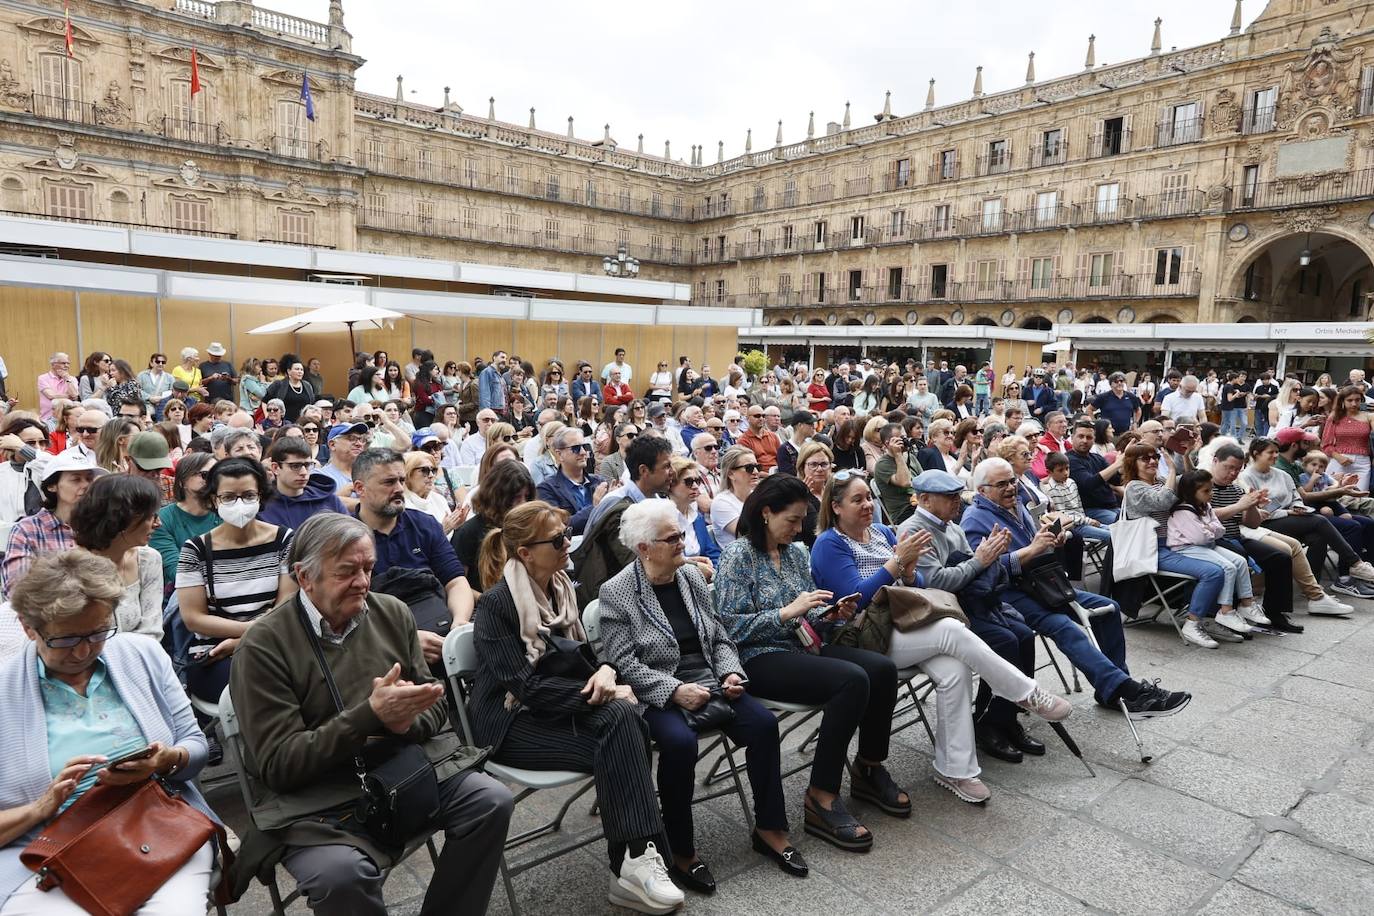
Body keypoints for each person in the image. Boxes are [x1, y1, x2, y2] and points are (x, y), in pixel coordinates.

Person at [230, 513, 512, 916]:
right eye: (347, 571)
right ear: (304, 577)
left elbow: (436, 710)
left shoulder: (391, 612)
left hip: (400, 768)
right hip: (317, 796)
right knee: (340, 876)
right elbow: (277, 766)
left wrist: (403, 721)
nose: (363, 582)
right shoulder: (263, 647)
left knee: (491, 800)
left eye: (368, 568)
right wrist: (370, 717)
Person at [812, 468, 1072, 802]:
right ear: (835, 507)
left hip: (905, 622)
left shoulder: (879, 531)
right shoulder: (828, 543)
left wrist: (906, 571)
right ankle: (1024, 692)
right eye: (857, 500)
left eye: (868, 498)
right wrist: (895, 566)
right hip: (864, 635)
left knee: (954, 668)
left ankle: (956, 770)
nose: (867, 505)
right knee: (952, 630)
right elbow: (854, 598)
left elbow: (920, 586)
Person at [471, 501, 681, 913]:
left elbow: (582, 656)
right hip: (509, 723)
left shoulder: (561, 588)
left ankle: (633, 863)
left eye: (567, 534)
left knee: (625, 725)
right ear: (525, 553)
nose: (568, 543)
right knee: (625, 728)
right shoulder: (498, 604)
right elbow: (525, 687)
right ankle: (636, 858)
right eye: (557, 540)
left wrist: (604, 672)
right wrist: (602, 692)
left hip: (554, 708)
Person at [599, 500, 805, 891]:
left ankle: (770, 829)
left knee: (762, 725)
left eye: (681, 533)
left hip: (708, 678)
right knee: (678, 744)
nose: (682, 542)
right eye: (672, 538)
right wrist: (674, 691)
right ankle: (680, 850)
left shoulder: (690, 577)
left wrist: (730, 672)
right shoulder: (617, 592)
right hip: (656, 689)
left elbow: (719, 635)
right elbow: (622, 664)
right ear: (644, 547)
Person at [0, 550, 217, 914]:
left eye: (98, 632)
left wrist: (166, 761)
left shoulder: (142, 655)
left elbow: (195, 746)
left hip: (159, 826)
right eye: (66, 640)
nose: (84, 651)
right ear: (27, 627)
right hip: (48, 846)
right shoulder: (6, 692)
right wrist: (42, 806)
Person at [714, 475, 901, 849]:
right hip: (758, 657)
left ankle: (868, 766)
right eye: (793, 520)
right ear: (766, 513)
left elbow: (807, 616)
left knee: (882, 669)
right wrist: (785, 613)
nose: (799, 529)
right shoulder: (738, 556)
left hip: (802, 646)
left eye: (802, 521)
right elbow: (729, 628)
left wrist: (830, 614)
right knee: (851, 680)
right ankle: (821, 795)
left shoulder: (797, 552)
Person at [962, 456, 1192, 718]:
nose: (1011, 487)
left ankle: (1112, 691)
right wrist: (1031, 550)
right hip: (1009, 595)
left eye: (1012, 481)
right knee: (1064, 626)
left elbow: (1035, 547)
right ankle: (1128, 690)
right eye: (1001, 484)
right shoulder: (974, 519)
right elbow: (982, 570)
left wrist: (1052, 541)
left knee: (1108, 607)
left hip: (1041, 584)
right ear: (982, 491)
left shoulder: (1015, 506)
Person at [176, 458, 295, 709]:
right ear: (213, 500)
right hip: (215, 650)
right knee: (254, 687)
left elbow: (287, 603)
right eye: (229, 497)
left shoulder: (284, 540)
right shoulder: (195, 550)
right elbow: (193, 618)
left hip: (278, 642)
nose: (239, 503)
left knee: (293, 681)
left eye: (248, 495)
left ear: (261, 496)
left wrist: (245, 641)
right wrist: (251, 634)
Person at [1119, 444, 1244, 647]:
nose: (1152, 461)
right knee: (1213, 572)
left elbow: (1191, 482)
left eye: (1154, 457)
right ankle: (1193, 624)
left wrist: (1184, 455)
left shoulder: (1160, 481)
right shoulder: (1134, 487)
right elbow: (1162, 501)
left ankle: (1212, 617)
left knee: (1234, 562)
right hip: (1153, 550)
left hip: (1176, 544)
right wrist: (1172, 470)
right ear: (1133, 463)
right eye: (1145, 459)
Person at [352, 448, 474, 644]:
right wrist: (406, 641)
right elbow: (346, 611)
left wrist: (459, 624)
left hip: (439, 628)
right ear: (360, 488)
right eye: (389, 482)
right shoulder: (345, 539)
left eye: (401, 480)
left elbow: (456, 582)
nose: (399, 488)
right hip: (382, 641)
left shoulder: (425, 525)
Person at [1241, 436, 1374, 599]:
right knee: (1319, 521)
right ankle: (1355, 563)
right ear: (1256, 453)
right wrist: (1289, 512)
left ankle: (1313, 588)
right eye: (1271, 452)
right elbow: (1257, 511)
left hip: (1294, 518)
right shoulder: (1246, 477)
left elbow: (1296, 497)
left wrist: (1298, 507)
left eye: (1276, 452)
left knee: (1318, 536)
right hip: (1265, 524)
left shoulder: (1283, 475)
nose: (1275, 455)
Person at [575, 435, 676, 605]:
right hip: (616, 601)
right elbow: (641, 566)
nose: (673, 471)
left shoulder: (656, 500)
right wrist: (689, 566)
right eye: (666, 466)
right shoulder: (618, 508)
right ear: (644, 471)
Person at [70, 474, 164, 639]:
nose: (158, 523)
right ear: (122, 518)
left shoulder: (148, 560)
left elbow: (152, 630)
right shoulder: (72, 568)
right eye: (150, 516)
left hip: (141, 658)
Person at [0, 449, 101, 600]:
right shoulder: (28, 530)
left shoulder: (101, 524)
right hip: (46, 617)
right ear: (52, 486)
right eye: (76, 479)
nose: (86, 485)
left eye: (89, 479)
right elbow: (17, 589)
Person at [451, 459, 535, 593]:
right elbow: (457, 585)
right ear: (497, 496)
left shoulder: (531, 527)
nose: (523, 503)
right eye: (516, 497)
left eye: (527, 497)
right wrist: (489, 602)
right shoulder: (469, 532)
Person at [260, 436, 347, 529]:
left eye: (307, 465)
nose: (304, 472)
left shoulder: (329, 500)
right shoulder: (261, 506)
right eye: (295, 466)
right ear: (275, 468)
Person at [536, 426, 608, 535]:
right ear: (559, 454)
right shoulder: (547, 489)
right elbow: (559, 527)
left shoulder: (599, 482)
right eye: (576, 448)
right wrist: (595, 507)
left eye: (585, 446)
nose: (583, 452)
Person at [1321, 385, 1374, 491]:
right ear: (1342, 401)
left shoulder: (1369, 416)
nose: (1354, 403)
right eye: (1349, 400)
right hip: (1338, 459)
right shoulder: (1335, 416)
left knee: (1359, 497)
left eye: (1357, 400)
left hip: (1362, 462)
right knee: (1331, 494)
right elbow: (1325, 444)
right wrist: (1338, 457)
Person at [710, 446, 761, 549]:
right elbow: (748, 533)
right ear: (731, 474)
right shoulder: (721, 502)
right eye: (749, 468)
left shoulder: (757, 495)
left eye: (757, 467)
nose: (755, 471)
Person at [873, 423, 917, 525]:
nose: (905, 441)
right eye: (900, 438)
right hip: (903, 512)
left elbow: (924, 480)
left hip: (920, 504)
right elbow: (905, 482)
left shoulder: (911, 457)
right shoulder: (882, 465)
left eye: (905, 437)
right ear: (888, 444)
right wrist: (897, 454)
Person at [265, 356, 315, 423]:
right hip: (283, 423)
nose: (300, 372)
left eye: (301, 370)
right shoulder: (279, 384)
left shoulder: (307, 385)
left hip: (303, 423)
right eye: (297, 369)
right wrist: (268, 416)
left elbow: (311, 404)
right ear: (289, 371)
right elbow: (265, 401)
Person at [776, 410, 815, 477]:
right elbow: (786, 475)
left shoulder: (812, 446)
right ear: (800, 425)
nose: (813, 427)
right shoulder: (784, 449)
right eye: (810, 424)